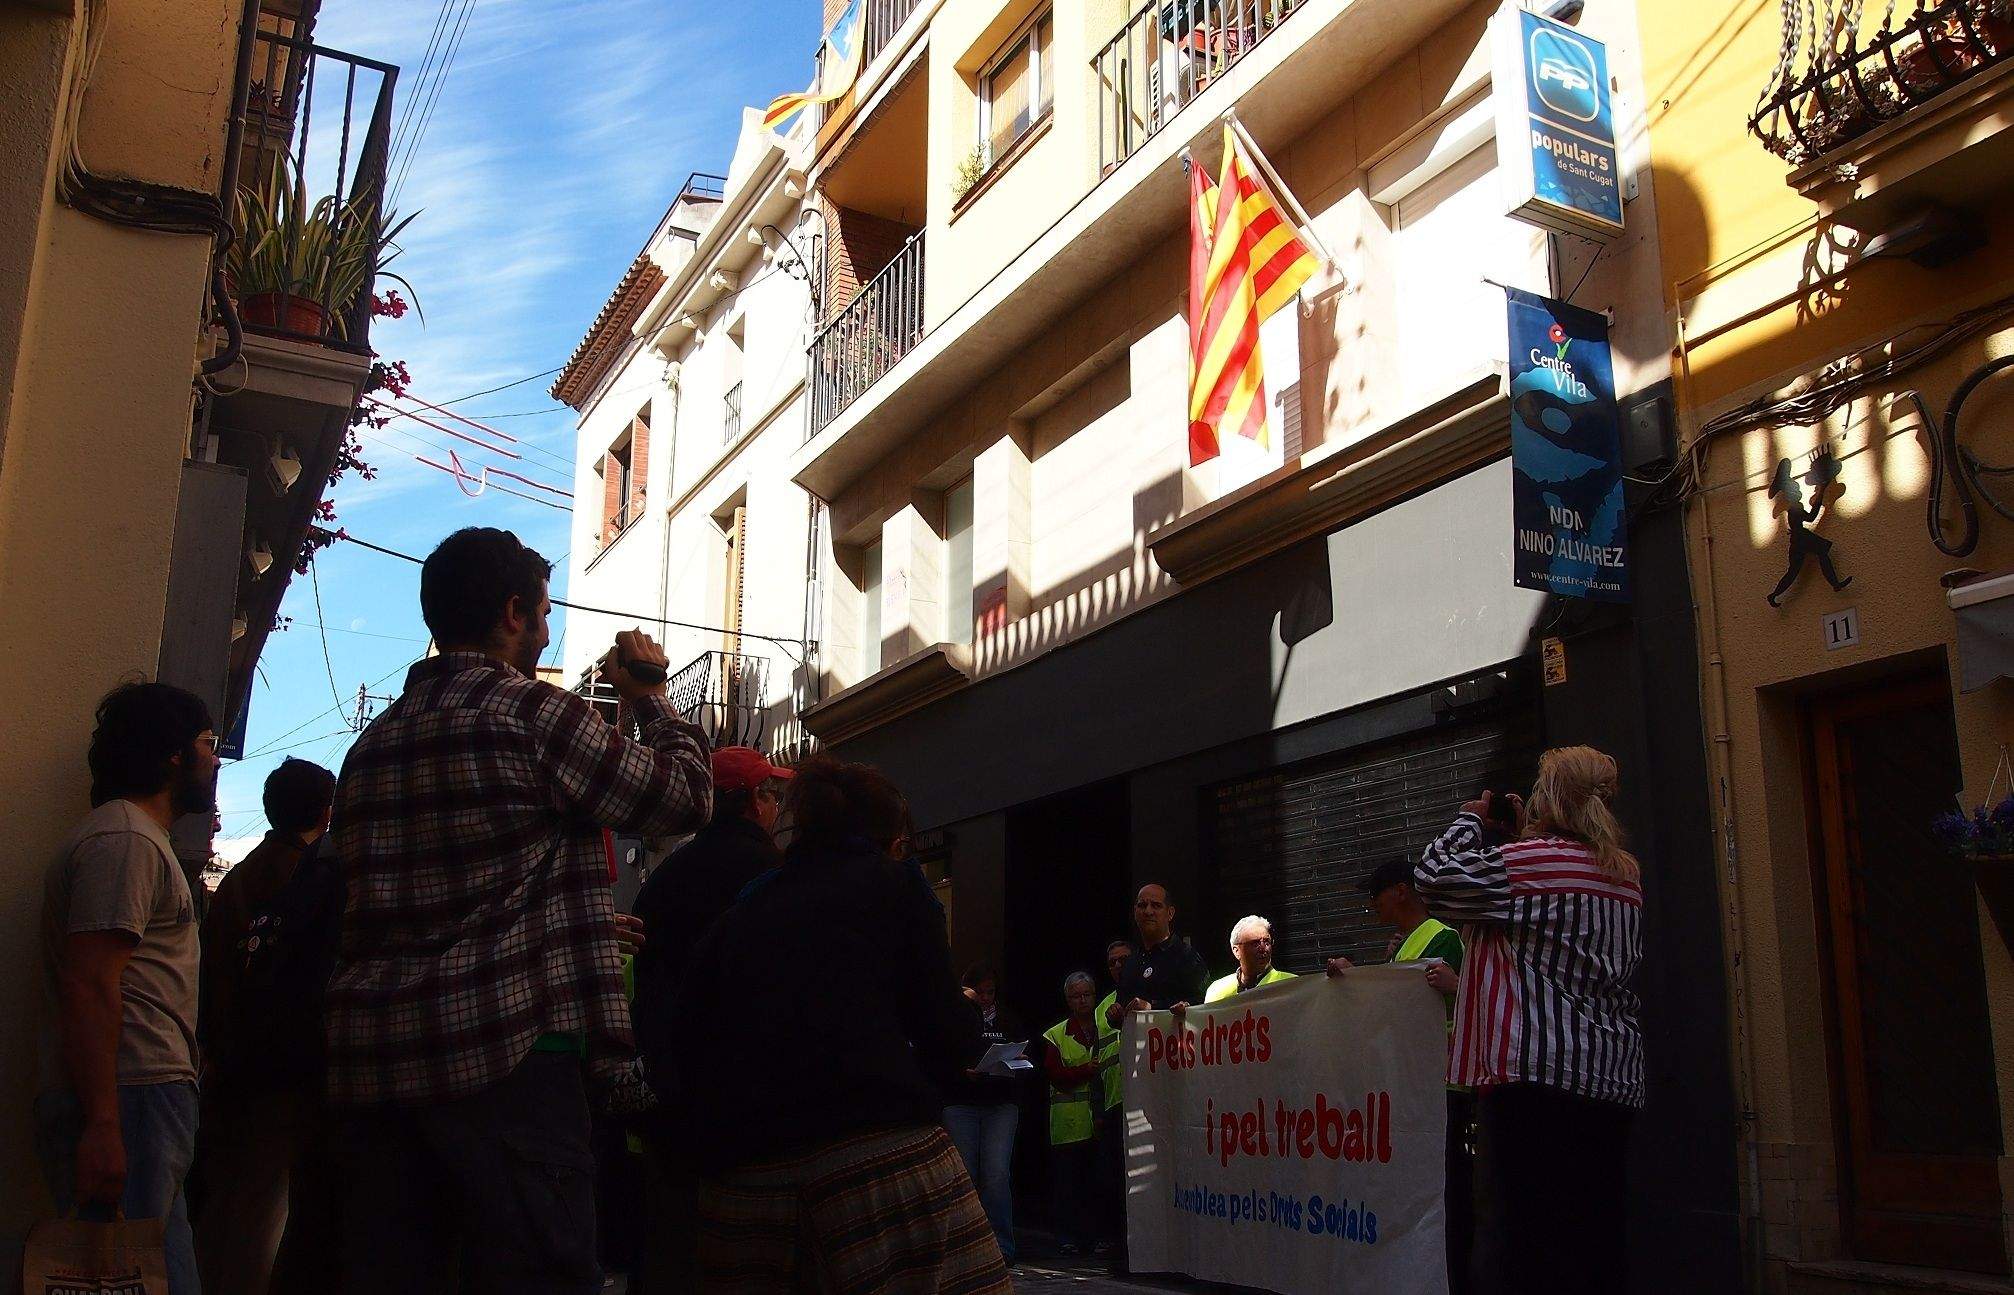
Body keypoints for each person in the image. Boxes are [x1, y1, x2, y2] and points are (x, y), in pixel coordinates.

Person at [323, 527, 713, 1295]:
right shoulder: (532, 713)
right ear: (512, 613)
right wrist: (651, 694)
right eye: (542, 614)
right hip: (508, 1064)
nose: (545, 633)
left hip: (376, 1069)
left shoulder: (371, 745)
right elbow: (685, 797)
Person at [672, 756, 1009, 1294]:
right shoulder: (897, 886)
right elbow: (947, 1033)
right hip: (877, 1159)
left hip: (744, 1191)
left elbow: (687, 1038)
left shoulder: (741, 913)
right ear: (888, 833)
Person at [1411, 746, 1644, 1295]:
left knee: (1518, 1240)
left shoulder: (1532, 865)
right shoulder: (1625, 873)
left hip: (1532, 1076)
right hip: (1610, 1077)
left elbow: (1432, 877)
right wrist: (1521, 841)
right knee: (1593, 1234)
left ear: (1549, 797)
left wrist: (1469, 819)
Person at [38, 682, 221, 1295]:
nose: (215, 759)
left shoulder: (138, 840)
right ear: (173, 755)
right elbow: (90, 983)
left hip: (142, 1094)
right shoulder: (125, 842)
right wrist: (103, 1125)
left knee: (151, 1270)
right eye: (207, 743)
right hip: (132, 1093)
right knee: (142, 1276)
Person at [629, 745, 792, 1292]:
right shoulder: (772, 876)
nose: (776, 806)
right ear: (753, 802)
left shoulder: (666, 876)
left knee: (668, 1241)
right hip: (748, 1095)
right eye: (771, 793)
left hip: (668, 1086)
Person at [196, 757, 341, 1295]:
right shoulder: (311, 879)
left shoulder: (242, 875)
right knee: (266, 1212)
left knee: (233, 1204)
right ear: (327, 812)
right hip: (283, 1067)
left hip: (230, 1058)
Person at [1329, 861, 1470, 1295]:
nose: (1372, 903)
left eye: (1377, 893)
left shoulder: (1443, 938)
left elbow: (1477, 1001)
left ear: (1402, 892)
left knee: (1449, 1191)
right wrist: (1354, 980)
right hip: (1411, 1089)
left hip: (1443, 1088)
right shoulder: (1402, 948)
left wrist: (1457, 985)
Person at [944, 962, 1030, 1265]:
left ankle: (1001, 1246)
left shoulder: (1008, 1019)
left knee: (996, 1174)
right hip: (962, 1104)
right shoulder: (954, 1019)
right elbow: (938, 1057)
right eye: (978, 992)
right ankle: (962, 1246)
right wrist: (961, 1071)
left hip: (999, 1104)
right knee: (964, 1175)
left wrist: (1015, 1059)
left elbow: (1023, 1053)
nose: (984, 998)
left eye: (989, 992)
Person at [1041, 972, 1107, 1256]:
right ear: (1068, 1000)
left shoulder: (1106, 1026)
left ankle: (1098, 1237)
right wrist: (1085, 1071)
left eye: (1087, 994)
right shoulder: (1056, 1034)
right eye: (1076, 996)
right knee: (1068, 1185)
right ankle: (1068, 1238)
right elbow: (1055, 1075)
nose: (1082, 1000)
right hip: (1067, 1123)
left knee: (1097, 1183)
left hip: (1098, 1121)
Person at [1106, 885, 1211, 1023]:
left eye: (1156, 905)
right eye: (1142, 905)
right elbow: (1122, 1011)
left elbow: (1206, 1004)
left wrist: (1152, 1007)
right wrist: (1115, 1014)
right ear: (1135, 912)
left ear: (1170, 913)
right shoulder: (1131, 962)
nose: (1148, 911)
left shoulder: (1186, 956)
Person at [1090, 939, 1131, 1254]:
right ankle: (1117, 1241)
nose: (1118, 966)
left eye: (1123, 960)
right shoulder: (1102, 1007)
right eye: (1112, 962)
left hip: (1146, 1100)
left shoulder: (1148, 993)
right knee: (1112, 1178)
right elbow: (1098, 1060)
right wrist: (1098, 1108)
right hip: (1114, 1100)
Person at [1201, 915, 1296, 1002]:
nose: (1263, 948)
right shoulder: (1217, 990)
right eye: (1255, 943)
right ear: (1236, 951)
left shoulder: (1293, 985)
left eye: (1267, 942)